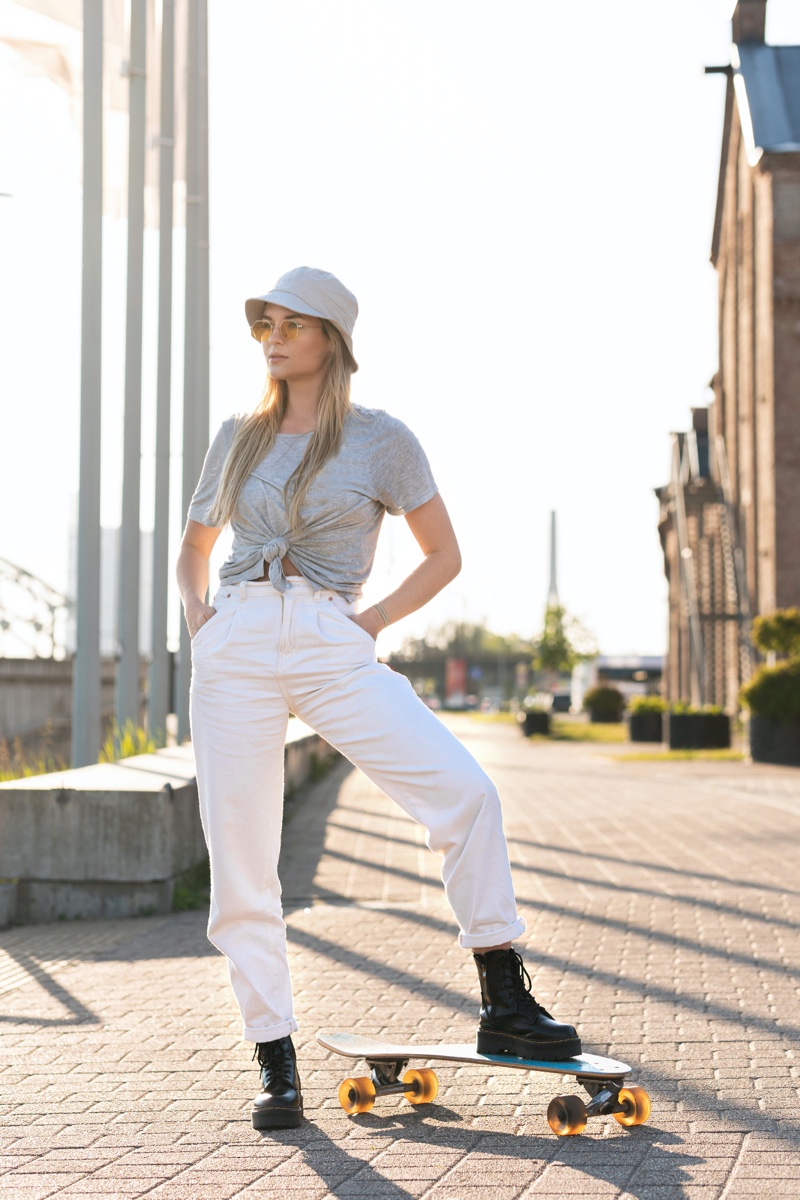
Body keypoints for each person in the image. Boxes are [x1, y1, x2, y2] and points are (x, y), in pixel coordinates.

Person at [177, 266, 581, 1131]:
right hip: (238, 643)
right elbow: (195, 546)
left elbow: (444, 553)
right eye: (265, 325)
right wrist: (200, 617)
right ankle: (275, 1058)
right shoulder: (236, 436)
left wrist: (374, 621)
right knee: (242, 867)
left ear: (334, 338)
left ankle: (505, 998)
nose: (273, 337)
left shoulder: (380, 439)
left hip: (331, 640)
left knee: (466, 793)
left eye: (292, 323)